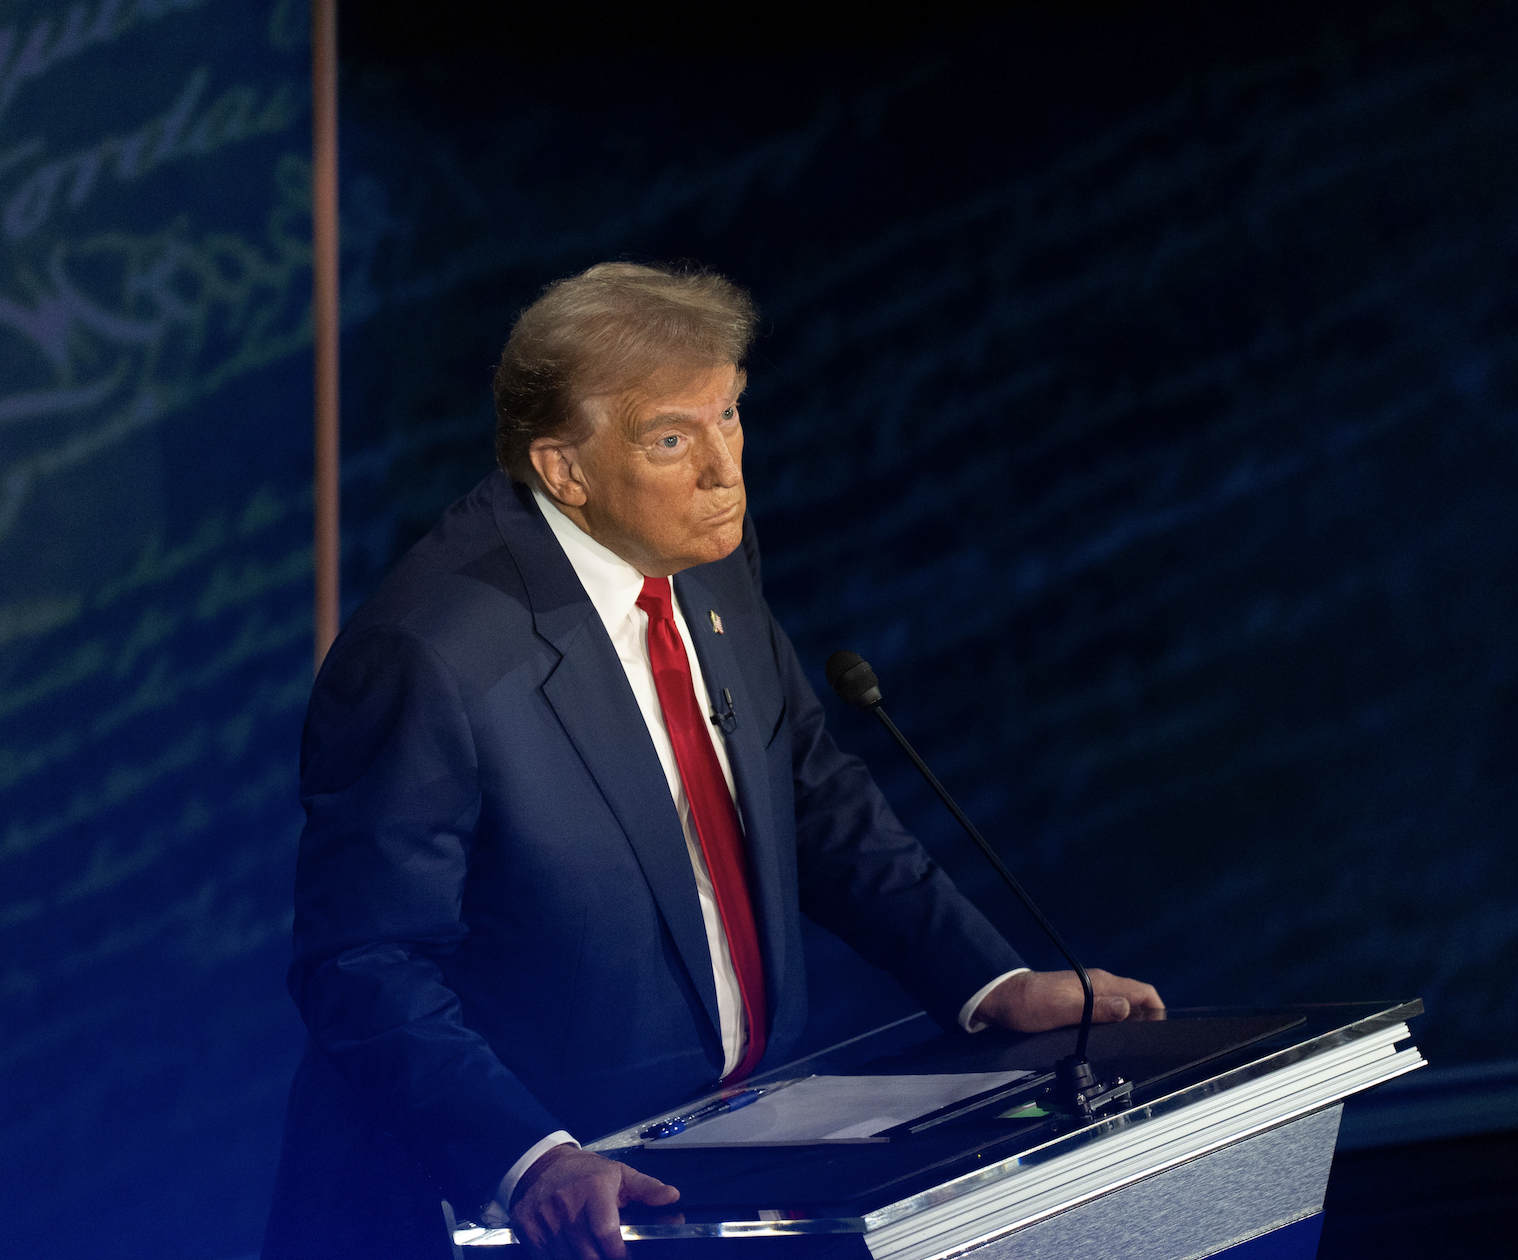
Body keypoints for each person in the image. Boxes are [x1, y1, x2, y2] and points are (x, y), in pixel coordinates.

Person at [261, 263, 1163, 1260]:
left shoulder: (702, 553)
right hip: (496, 1214)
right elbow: (363, 964)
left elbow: (808, 795)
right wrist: (532, 1160)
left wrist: (987, 982)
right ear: (565, 470)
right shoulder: (429, 654)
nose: (724, 467)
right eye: (671, 440)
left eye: (729, 415)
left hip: (716, 1173)